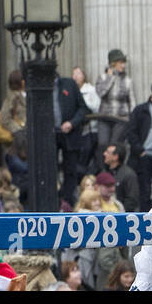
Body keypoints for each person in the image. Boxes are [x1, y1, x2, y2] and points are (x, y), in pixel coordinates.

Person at [55, 71, 92, 207]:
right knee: (49, 169)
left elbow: (83, 109)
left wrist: (72, 123)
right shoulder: (39, 89)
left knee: (70, 170)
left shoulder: (69, 84)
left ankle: (68, 202)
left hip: (70, 134)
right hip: (49, 136)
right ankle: (55, 200)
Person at [95, 49, 135, 149]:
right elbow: (101, 93)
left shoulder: (127, 80)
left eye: (124, 63)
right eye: (121, 63)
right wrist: (110, 77)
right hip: (104, 117)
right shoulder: (103, 77)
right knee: (102, 145)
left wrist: (132, 118)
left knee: (115, 146)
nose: (123, 66)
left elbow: (132, 101)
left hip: (121, 118)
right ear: (113, 63)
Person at [101, 143, 140, 213]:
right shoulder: (104, 173)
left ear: (115, 157)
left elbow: (132, 199)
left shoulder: (129, 175)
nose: (104, 154)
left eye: (107, 152)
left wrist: (119, 211)